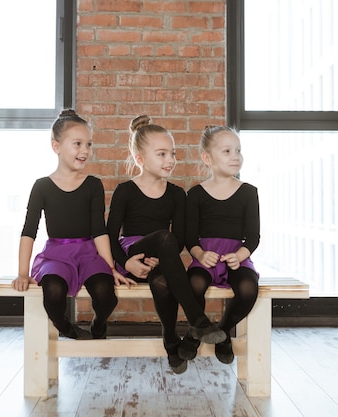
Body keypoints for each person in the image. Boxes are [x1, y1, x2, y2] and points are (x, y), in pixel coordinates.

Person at [107, 115, 226, 374]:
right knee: (163, 237)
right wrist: (126, 261)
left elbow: (180, 238)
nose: (170, 160)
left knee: (163, 281)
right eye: (161, 154)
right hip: (131, 256)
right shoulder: (125, 191)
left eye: (172, 154)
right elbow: (110, 235)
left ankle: (171, 343)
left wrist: (163, 257)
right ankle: (198, 319)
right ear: (140, 159)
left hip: (162, 260)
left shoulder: (175, 194)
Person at [12, 109, 133, 340]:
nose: (85, 151)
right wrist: (22, 273)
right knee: (54, 291)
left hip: (88, 253)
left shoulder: (93, 185)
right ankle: (66, 328)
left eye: (88, 144)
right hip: (56, 254)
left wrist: (110, 267)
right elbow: (29, 232)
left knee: (105, 292)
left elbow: (99, 230)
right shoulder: (42, 186)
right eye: (77, 144)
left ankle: (99, 323)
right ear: (56, 146)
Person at [179, 125, 260, 365]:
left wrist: (240, 255)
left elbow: (253, 237)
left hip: (237, 257)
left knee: (247, 288)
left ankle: (223, 331)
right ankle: (197, 329)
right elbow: (189, 238)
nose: (236, 156)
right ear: (207, 158)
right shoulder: (196, 194)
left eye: (238, 150)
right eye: (227, 151)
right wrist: (200, 254)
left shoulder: (248, 192)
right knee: (193, 284)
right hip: (206, 257)